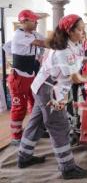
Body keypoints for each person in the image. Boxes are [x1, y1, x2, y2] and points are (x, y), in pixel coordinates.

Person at [17, 14, 87, 180]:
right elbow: (75, 78)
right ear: (69, 31)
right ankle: (67, 168)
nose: (82, 32)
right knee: (59, 126)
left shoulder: (72, 43)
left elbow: (78, 58)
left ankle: (24, 156)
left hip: (44, 87)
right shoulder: (62, 50)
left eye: (83, 28)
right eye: (79, 29)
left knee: (37, 122)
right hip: (49, 90)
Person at [7, 9, 45, 145]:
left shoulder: (33, 33)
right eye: (34, 20)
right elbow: (42, 43)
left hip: (31, 75)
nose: (36, 22)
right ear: (24, 21)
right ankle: (16, 137)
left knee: (35, 104)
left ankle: (34, 130)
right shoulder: (20, 35)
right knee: (19, 107)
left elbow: (45, 39)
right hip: (19, 77)